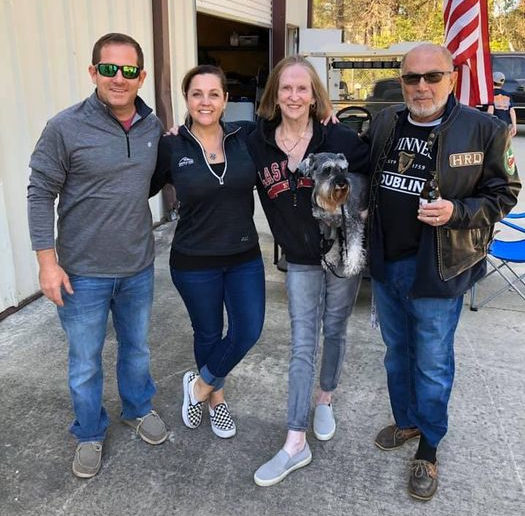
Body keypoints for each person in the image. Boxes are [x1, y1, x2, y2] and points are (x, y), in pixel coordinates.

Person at [364, 44, 521, 501]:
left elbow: (504, 194)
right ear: (402, 81)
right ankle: (408, 421)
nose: (422, 87)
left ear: (452, 77)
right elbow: (356, 164)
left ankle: (429, 447)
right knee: (397, 353)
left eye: (433, 77)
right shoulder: (385, 122)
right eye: (412, 78)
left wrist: (457, 210)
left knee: (431, 362)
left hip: (439, 267)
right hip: (388, 262)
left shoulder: (483, 129)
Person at [27, 33, 168, 479]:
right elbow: (39, 193)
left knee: (138, 350)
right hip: (81, 273)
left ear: (141, 76)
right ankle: (89, 431)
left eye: (129, 71)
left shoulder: (152, 127)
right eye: (109, 69)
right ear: (93, 72)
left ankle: (137, 408)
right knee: (84, 362)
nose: (119, 79)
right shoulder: (64, 127)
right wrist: (47, 262)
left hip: (137, 267)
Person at [248, 55, 369, 486]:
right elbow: (210, 141)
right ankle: (294, 442)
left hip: (341, 254)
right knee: (302, 342)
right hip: (299, 259)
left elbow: (370, 175)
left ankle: (326, 396)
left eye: (303, 88)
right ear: (274, 96)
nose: (294, 96)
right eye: (286, 88)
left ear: (314, 94)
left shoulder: (340, 137)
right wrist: (178, 129)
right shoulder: (256, 141)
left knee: (335, 327)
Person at [150, 65, 265, 439]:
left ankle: (198, 387)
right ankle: (217, 401)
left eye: (213, 94)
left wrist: (325, 115)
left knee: (247, 330)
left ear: (226, 100)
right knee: (209, 333)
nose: (205, 101)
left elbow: (295, 128)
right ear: (187, 99)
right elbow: (134, 183)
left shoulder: (244, 136)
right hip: (193, 261)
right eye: (197, 94)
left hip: (243, 256)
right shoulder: (171, 145)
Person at [487, 71, 518, 137]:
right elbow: (512, 111)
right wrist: (514, 126)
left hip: (494, 124)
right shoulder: (507, 95)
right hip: (505, 125)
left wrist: (487, 124)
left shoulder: (490, 94)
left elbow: (490, 110)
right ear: (502, 83)